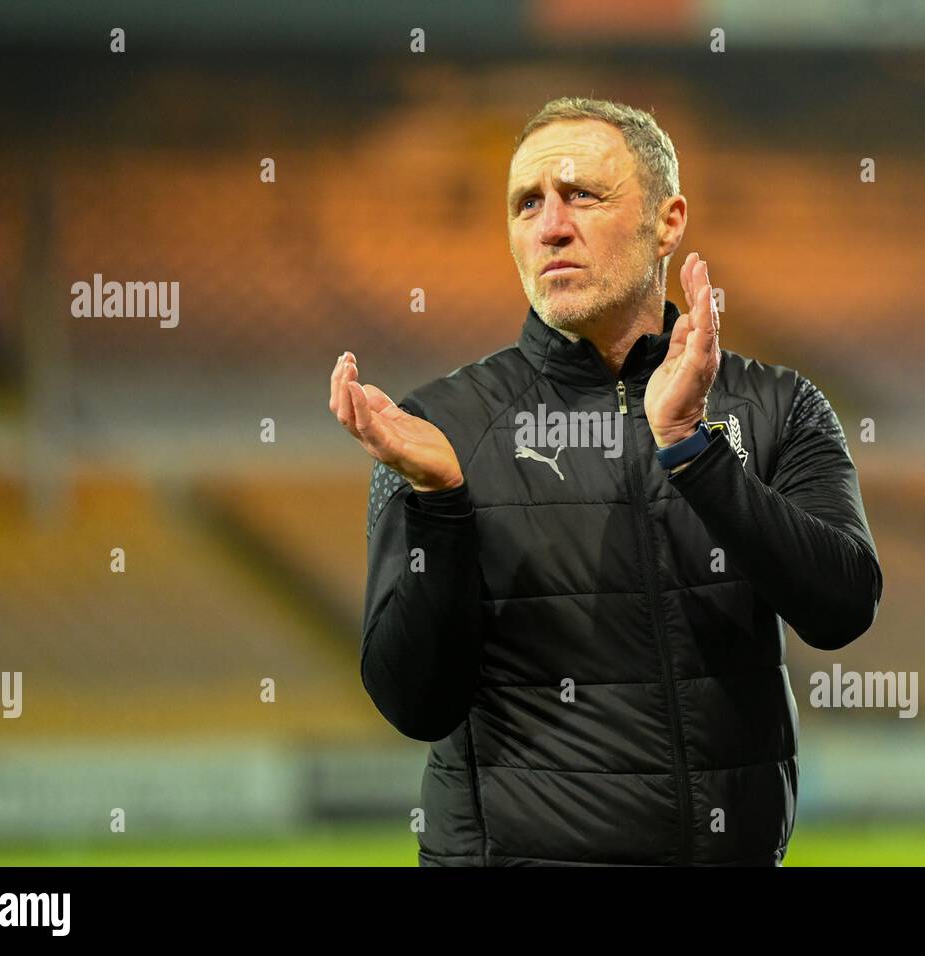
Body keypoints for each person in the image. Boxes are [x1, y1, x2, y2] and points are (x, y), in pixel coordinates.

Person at [329, 96, 883, 866]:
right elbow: (414, 703)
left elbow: (844, 607)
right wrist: (441, 507)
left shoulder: (776, 407)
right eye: (528, 204)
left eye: (582, 195)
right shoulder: (436, 432)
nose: (551, 225)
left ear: (667, 220)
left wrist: (695, 452)